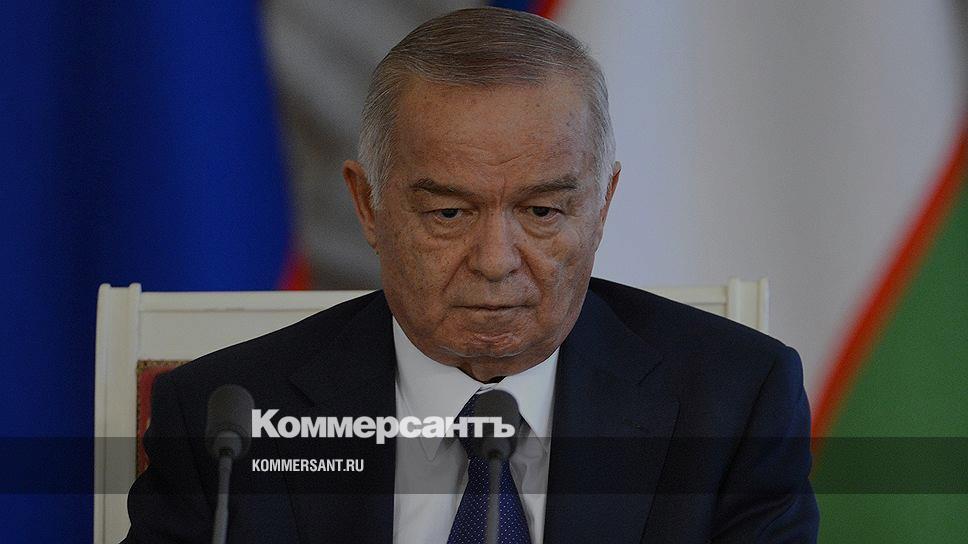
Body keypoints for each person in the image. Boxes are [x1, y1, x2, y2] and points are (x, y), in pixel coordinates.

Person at [124, 7, 818, 543]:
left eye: (541, 211)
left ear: (601, 206)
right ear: (368, 205)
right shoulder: (228, 423)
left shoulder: (733, 405)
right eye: (450, 213)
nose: (495, 260)